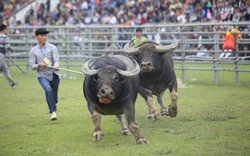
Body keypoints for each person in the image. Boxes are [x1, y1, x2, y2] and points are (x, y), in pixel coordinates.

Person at [29, 28, 61, 121]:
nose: (44, 37)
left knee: (54, 95)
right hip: (42, 75)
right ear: (37, 37)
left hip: (54, 74)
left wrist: (56, 65)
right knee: (48, 90)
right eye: (42, 35)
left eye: (45, 35)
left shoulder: (53, 47)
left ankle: (54, 101)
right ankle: (53, 112)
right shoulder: (33, 51)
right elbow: (32, 66)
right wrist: (39, 65)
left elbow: (57, 60)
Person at [0, 24, 19, 88]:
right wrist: (12, 48)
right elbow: (7, 47)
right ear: (4, 30)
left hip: (1, 54)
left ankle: (12, 83)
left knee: (6, 69)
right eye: (6, 29)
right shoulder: (5, 37)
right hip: (1, 54)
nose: (7, 31)